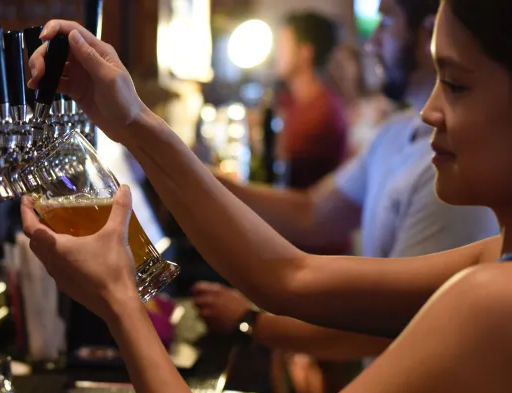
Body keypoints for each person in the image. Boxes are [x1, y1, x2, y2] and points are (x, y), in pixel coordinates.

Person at [21, 0, 512, 393]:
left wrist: (118, 301)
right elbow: (287, 276)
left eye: (457, 84)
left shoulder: (492, 301)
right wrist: (131, 122)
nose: (430, 110)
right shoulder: (491, 261)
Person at [195, 0, 497, 364]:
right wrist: (197, 175)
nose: (371, 44)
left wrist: (252, 321)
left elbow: (396, 325)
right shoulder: (396, 132)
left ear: (428, 30)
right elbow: (311, 212)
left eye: (386, 22)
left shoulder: (455, 171)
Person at [272, 12, 348, 191]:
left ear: (305, 52)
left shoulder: (324, 112)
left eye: (283, 45)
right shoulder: (287, 99)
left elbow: (281, 159)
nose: (276, 53)